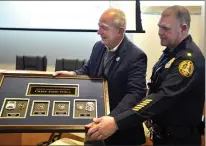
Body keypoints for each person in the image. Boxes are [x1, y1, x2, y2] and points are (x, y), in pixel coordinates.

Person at [86, 5, 205, 146]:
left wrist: (116, 122)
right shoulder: (170, 53)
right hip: (162, 136)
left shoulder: (187, 61)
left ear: (183, 28)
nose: (160, 32)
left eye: (166, 28)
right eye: (159, 27)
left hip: (179, 140)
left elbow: (161, 98)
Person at [54, 8, 147, 145]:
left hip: (122, 131)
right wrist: (73, 75)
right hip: (95, 126)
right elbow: (89, 69)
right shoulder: (99, 47)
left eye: (103, 28)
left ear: (120, 31)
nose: (98, 32)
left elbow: (136, 93)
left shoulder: (136, 56)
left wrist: (112, 119)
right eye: (99, 26)